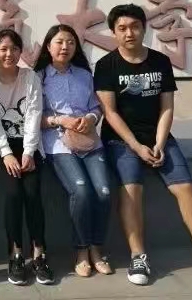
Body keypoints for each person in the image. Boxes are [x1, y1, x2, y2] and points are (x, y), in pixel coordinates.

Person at [93, 4, 192, 286]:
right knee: (131, 190)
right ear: (113, 32)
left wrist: (159, 142)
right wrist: (137, 147)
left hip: (159, 137)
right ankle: (139, 257)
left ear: (144, 29)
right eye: (122, 28)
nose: (129, 33)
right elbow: (109, 112)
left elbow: (167, 107)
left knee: (186, 188)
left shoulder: (159, 61)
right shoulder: (106, 65)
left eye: (134, 27)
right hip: (121, 140)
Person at [34, 24, 113, 278]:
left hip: (89, 141)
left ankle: (96, 249)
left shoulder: (84, 75)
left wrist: (91, 118)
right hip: (57, 143)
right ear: (48, 46)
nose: (65, 47)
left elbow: (96, 107)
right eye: (59, 42)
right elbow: (33, 117)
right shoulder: (38, 78)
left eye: (70, 42)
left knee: (103, 192)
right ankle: (81, 250)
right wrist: (60, 120)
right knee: (81, 190)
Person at [0, 29, 53, 286]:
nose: (9, 54)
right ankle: (16, 255)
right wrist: (7, 154)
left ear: (20, 51)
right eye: (3, 49)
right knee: (13, 194)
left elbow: (34, 114)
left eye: (13, 49)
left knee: (32, 193)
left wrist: (29, 152)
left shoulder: (30, 77)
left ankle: (39, 254)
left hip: (28, 144)